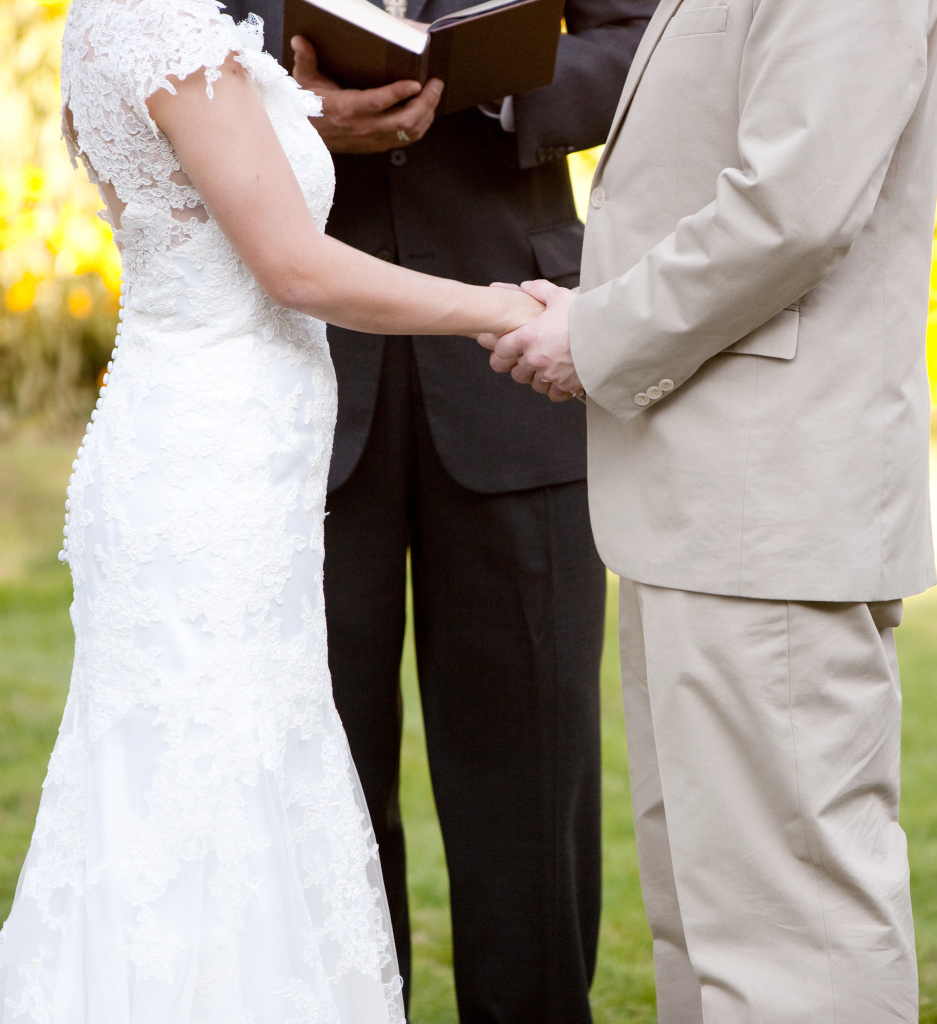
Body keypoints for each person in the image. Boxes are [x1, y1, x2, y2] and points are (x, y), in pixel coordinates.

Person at [0, 0, 548, 1019]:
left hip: (227, 466)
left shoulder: (177, 24)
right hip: (203, 471)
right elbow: (294, 266)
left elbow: (216, 165)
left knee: (231, 774)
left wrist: (318, 111)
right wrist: (497, 305)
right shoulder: (158, 21)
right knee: (202, 791)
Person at [484, 0, 937, 1020]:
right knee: (709, 931)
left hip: (770, 517)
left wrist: (597, 336)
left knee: (793, 943)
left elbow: (792, 210)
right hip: (708, 508)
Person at [217, 1, 654, 1020]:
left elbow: (648, 45)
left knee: (532, 789)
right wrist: (296, 112)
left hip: (519, 359)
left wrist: (492, 88)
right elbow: (185, 53)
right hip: (299, 372)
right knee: (319, 782)